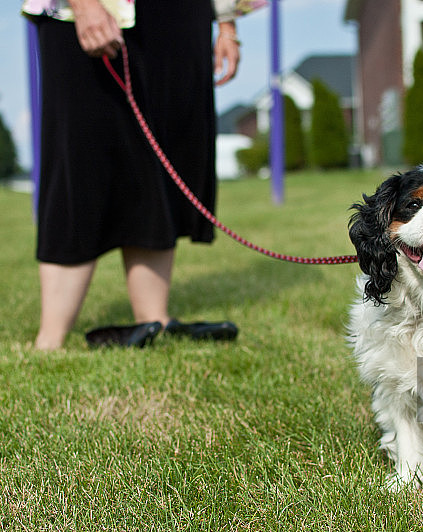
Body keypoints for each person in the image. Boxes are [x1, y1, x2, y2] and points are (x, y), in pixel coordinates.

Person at [23, 0, 262, 350]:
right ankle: (51, 337)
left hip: (178, 19)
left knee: (160, 161)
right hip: (90, 12)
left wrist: (227, 24)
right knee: (79, 163)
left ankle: (154, 320)